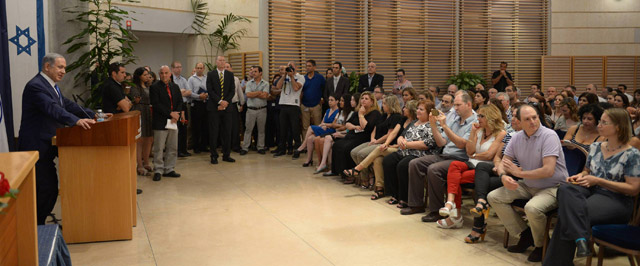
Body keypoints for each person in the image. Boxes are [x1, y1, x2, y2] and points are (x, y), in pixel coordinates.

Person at [543, 108, 640, 266]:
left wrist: (598, 181)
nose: (599, 125)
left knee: (568, 214)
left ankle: (558, 260)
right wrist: (579, 176)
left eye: (604, 122)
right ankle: (581, 238)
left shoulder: (631, 154)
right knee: (565, 189)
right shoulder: (596, 147)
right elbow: (587, 171)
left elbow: (633, 188)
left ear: (618, 127)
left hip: (616, 199)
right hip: (591, 190)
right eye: (600, 121)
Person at [19, 53, 97, 224]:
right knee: (46, 189)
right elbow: (52, 108)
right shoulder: (36, 86)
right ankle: (36, 228)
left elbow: (68, 105)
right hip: (37, 146)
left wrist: (95, 114)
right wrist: (75, 121)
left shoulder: (52, 86)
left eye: (65, 68)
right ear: (47, 66)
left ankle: (39, 225)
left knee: (49, 189)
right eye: (60, 67)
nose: (64, 71)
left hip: (50, 143)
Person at [487, 104, 568, 262]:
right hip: (528, 184)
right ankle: (525, 235)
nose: (532, 121)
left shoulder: (549, 135)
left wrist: (519, 173)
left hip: (552, 187)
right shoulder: (517, 137)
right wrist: (503, 176)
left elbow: (548, 170)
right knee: (494, 196)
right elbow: (504, 162)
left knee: (532, 208)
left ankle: (541, 245)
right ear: (519, 121)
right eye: (527, 119)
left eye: (535, 117)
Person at [403, 93, 478, 217]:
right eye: (455, 105)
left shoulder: (474, 122)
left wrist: (444, 126)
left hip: (462, 159)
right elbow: (441, 142)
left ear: (468, 105)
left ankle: (436, 210)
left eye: (458, 105)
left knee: (434, 169)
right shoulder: (455, 119)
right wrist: (433, 125)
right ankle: (416, 205)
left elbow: (461, 144)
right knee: (415, 163)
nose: (456, 108)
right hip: (445, 154)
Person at [437, 105, 506, 229]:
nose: (477, 118)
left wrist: (474, 155)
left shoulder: (501, 133)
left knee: (454, 179)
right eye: (478, 115)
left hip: (485, 169)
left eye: (481, 116)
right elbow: (469, 150)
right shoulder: (479, 131)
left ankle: (455, 214)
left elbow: (489, 155)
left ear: (491, 117)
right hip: (471, 164)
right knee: (454, 165)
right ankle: (450, 203)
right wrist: (473, 134)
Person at [464, 102, 525, 243]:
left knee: (482, 186)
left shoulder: (536, 138)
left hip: (517, 175)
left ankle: (478, 222)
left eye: (517, 116)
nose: (513, 119)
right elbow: (497, 157)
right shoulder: (510, 136)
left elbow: (529, 166)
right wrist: (499, 166)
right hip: (503, 171)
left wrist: (506, 170)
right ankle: (481, 204)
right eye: (513, 116)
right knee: (482, 167)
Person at [349, 100, 418, 200]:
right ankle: (380, 188)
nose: (403, 109)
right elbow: (394, 133)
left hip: (404, 148)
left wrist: (389, 145)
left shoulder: (414, 123)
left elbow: (407, 141)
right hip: (394, 145)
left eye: (406, 107)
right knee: (378, 159)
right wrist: (386, 144)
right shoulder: (403, 119)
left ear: (411, 110)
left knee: (378, 149)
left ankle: (358, 169)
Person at [343, 96, 404, 186]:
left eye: (384, 104)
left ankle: (365, 179)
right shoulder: (383, 115)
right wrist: (373, 139)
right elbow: (375, 129)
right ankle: (369, 175)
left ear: (391, 105)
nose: (383, 106)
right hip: (375, 140)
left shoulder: (396, 117)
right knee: (354, 152)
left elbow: (389, 134)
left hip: (384, 142)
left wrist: (377, 141)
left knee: (361, 154)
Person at [331, 92, 382, 180]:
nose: (363, 100)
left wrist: (361, 115)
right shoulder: (358, 111)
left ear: (372, 102)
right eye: (362, 98)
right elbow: (347, 124)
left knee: (347, 148)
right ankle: (339, 172)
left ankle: (351, 175)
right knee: (337, 145)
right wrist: (354, 126)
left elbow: (367, 127)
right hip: (352, 135)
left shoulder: (375, 113)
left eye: (366, 99)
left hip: (363, 137)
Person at [149, 66, 183, 181]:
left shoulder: (175, 86)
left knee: (172, 146)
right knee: (159, 148)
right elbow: (156, 104)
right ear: (159, 74)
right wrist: (170, 114)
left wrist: (176, 114)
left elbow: (179, 101)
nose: (164, 75)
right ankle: (158, 169)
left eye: (166, 73)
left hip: (173, 121)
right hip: (160, 121)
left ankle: (169, 168)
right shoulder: (154, 87)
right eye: (162, 73)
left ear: (170, 74)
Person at [207, 56, 236, 164]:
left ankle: (226, 154)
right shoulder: (211, 74)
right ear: (216, 62)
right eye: (220, 60)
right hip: (214, 108)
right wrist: (219, 102)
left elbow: (232, 91)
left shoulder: (230, 74)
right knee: (214, 132)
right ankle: (213, 155)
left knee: (227, 132)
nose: (222, 62)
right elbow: (210, 90)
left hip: (227, 108)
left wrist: (225, 103)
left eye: (224, 60)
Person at [297, 95, 340, 166]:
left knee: (310, 127)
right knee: (310, 138)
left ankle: (303, 145)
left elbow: (334, 124)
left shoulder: (338, 111)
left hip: (331, 130)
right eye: (329, 100)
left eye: (332, 100)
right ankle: (309, 159)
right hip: (324, 129)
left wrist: (325, 125)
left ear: (337, 101)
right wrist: (322, 125)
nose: (329, 102)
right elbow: (322, 122)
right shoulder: (328, 110)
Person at [273, 62, 305, 157]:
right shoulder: (285, 76)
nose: (290, 68)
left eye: (291, 66)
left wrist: (291, 77)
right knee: (282, 129)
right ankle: (282, 149)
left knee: (295, 129)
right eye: (288, 67)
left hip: (293, 105)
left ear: (296, 68)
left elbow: (295, 88)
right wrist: (284, 75)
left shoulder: (300, 77)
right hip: (283, 104)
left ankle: (297, 150)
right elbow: (278, 86)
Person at [240, 66, 270, 155]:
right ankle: (245, 147)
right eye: (252, 72)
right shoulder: (249, 83)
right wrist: (259, 92)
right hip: (251, 110)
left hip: (262, 109)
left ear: (260, 73)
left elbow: (265, 96)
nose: (253, 73)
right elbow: (248, 94)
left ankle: (260, 147)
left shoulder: (266, 83)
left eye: (255, 71)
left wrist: (254, 93)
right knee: (248, 129)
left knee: (261, 129)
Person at [131, 67, 153, 176]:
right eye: (144, 75)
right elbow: (136, 99)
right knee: (140, 139)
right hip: (140, 110)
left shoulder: (149, 86)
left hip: (148, 111)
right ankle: (139, 165)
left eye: (147, 74)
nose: (146, 76)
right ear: (139, 76)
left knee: (149, 138)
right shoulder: (135, 86)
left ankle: (146, 162)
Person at [299, 59, 326, 143]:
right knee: (305, 127)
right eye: (306, 66)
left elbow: (325, 89)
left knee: (317, 126)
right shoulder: (303, 78)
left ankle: (317, 143)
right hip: (305, 105)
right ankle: (305, 144)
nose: (307, 68)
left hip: (316, 106)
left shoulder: (320, 78)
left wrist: (322, 99)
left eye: (309, 66)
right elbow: (300, 92)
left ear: (314, 67)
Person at [171, 61, 192, 158]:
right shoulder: (170, 80)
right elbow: (172, 94)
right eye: (177, 67)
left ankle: (184, 149)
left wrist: (179, 93)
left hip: (184, 105)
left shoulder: (183, 79)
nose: (179, 69)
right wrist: (180, 92)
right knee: (176, 129)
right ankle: (177, 150)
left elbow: (189, 92)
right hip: (174, 107)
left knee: (184, 127)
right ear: (172, 68)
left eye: (180, 67)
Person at [188, 62, 209, 154]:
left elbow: (211, 89)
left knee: (205, 126)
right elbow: (189, 92)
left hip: (205, 104)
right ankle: (196, 146)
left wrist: (206, 95)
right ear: (195, 68)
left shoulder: (207, 78)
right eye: (198, 68)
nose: (199, 69)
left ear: (204, 69)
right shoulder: (191, 79)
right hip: (196, 104)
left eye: (201, 68)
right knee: (196, 127)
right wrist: (198, 96)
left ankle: (203, 145)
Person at [225, 62, 245, 154]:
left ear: (231, 69)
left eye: (228, 67)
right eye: (224, 67)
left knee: (235, 126)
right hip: (224, 105)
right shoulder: (220, 79)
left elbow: (239, 92)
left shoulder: (235, 79)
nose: (226, 68)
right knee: (225, 127)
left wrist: (242, 103)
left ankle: (236, 146)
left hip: (233, 104)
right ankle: (226, 146)